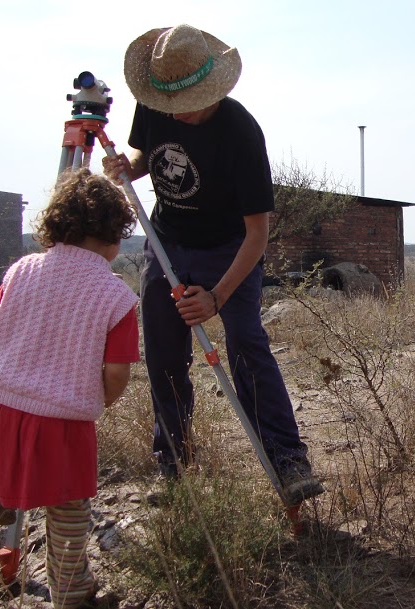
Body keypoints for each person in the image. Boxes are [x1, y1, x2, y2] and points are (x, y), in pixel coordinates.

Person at [102, 24, 323, 502]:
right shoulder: (157, 99)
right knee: (163, 352)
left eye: (190, 103)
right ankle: (174, 461)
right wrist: (128, 167)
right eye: (172, 105)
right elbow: (147, 154)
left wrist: (217, 297)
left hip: (230, 247)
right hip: (168, 243)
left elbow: (257, 233)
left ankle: (287, 459)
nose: (179, 113)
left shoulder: (240, 132)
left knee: (245, 340)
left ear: (214, 90)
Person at [0, 169, 139, 609]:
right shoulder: (114, 295)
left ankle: (0, 486)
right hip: (63, 420)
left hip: (2, 403)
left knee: (7, 459)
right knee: (68, 513)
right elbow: (118, 370)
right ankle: (72, 594)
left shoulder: (22, 268)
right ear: (113, 237)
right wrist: (100, 401)